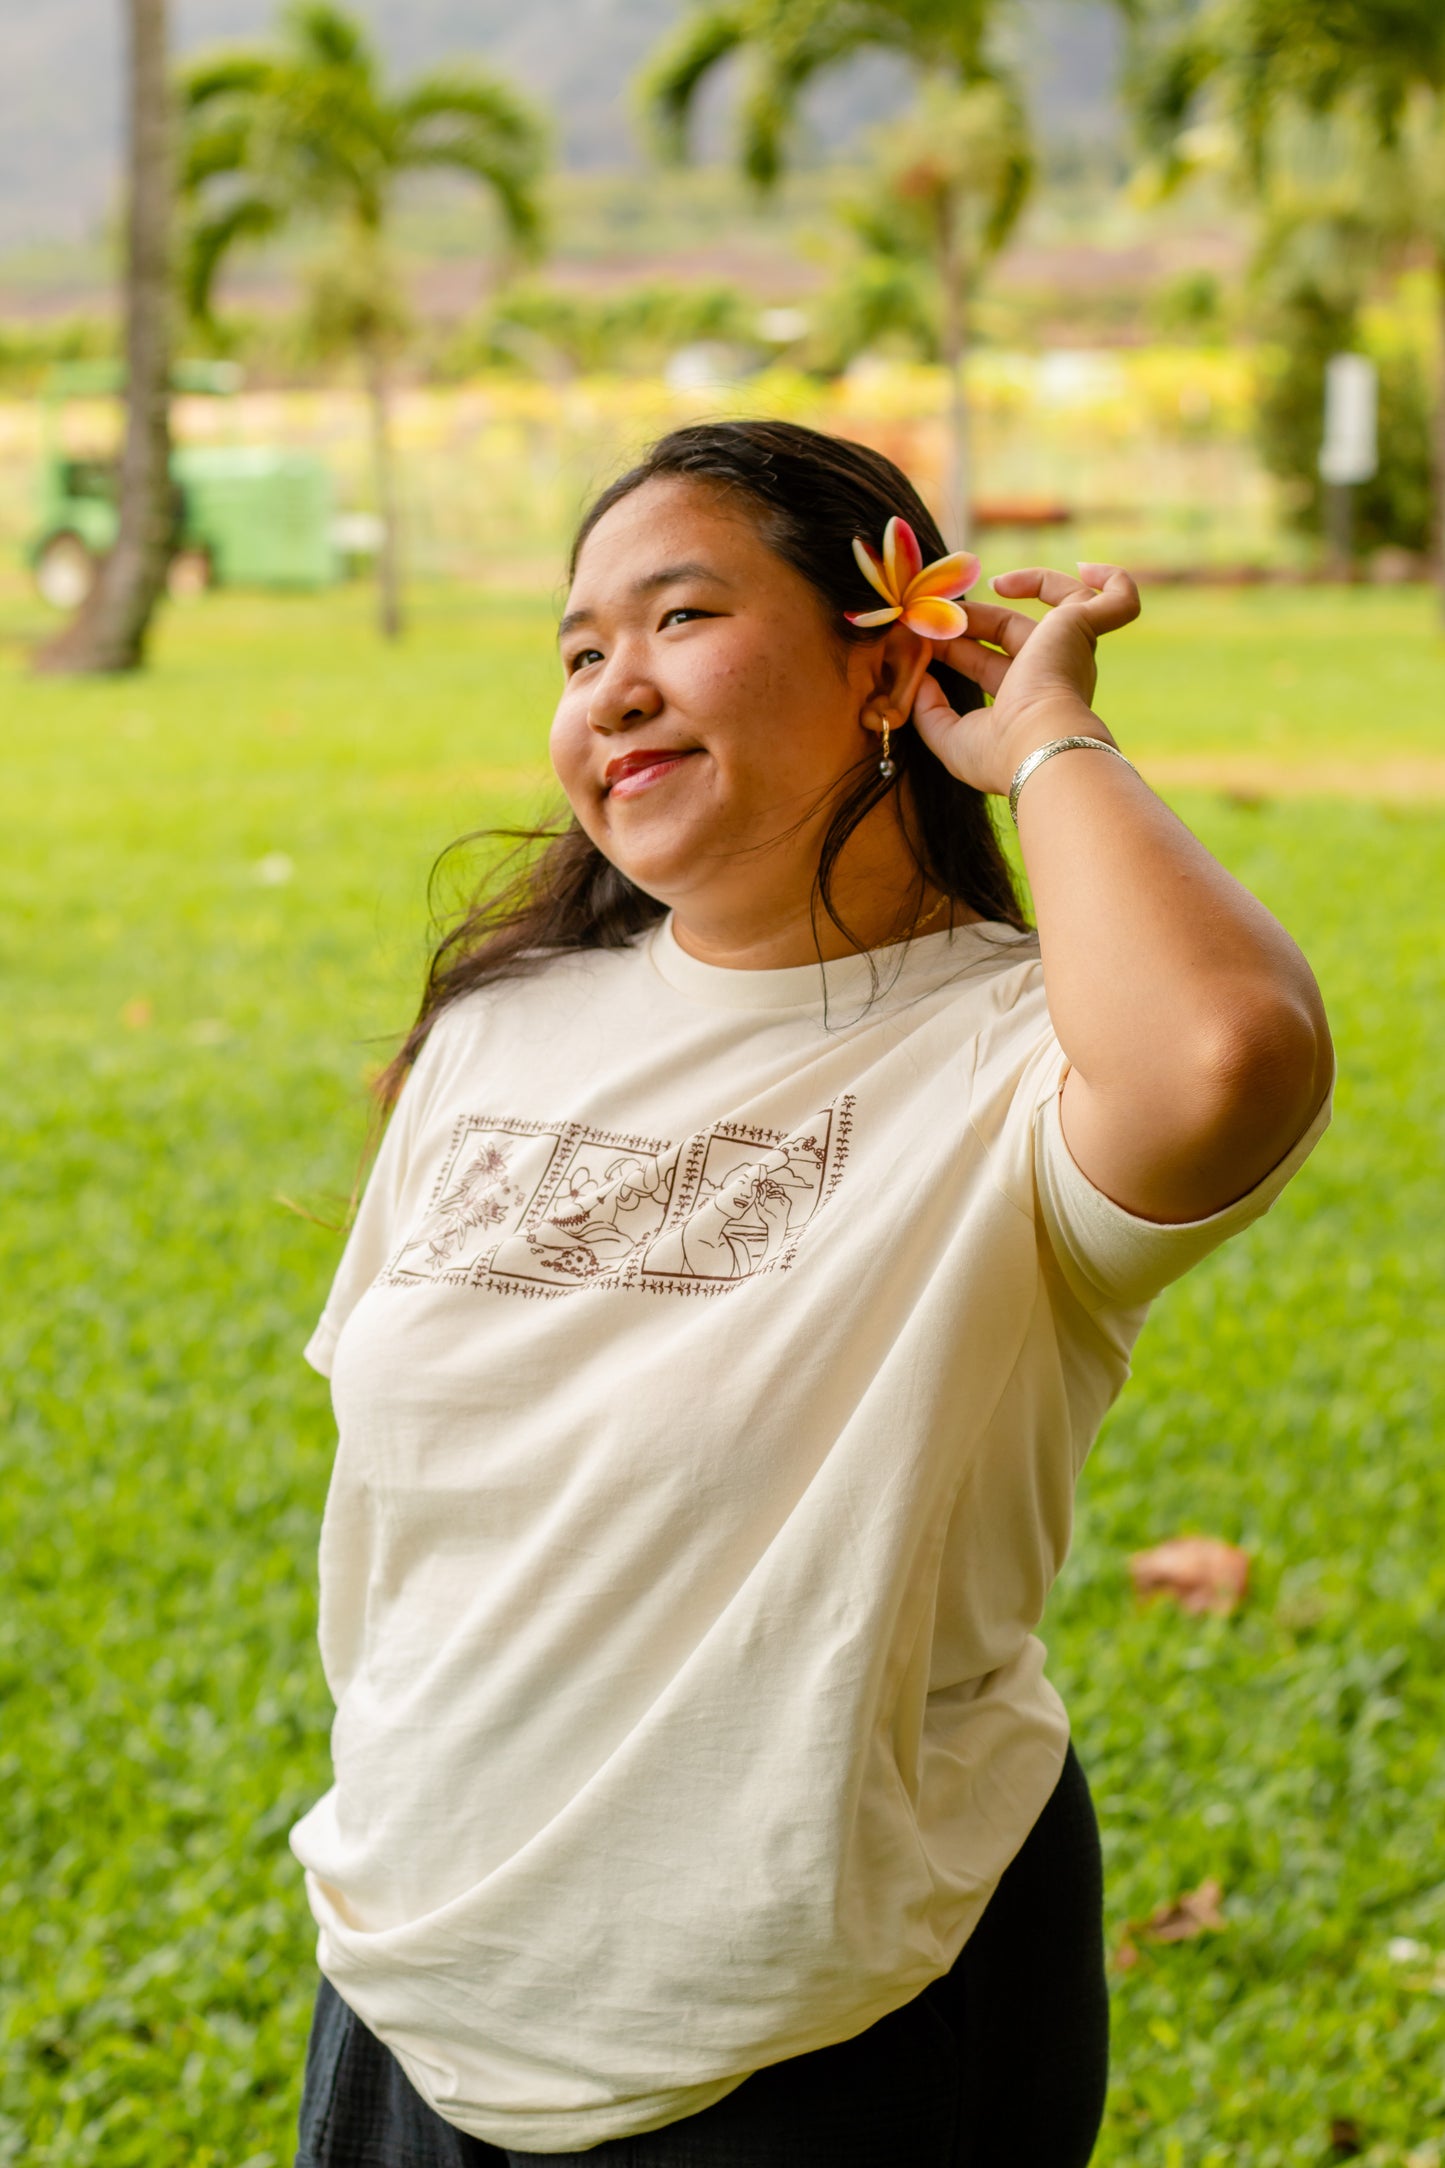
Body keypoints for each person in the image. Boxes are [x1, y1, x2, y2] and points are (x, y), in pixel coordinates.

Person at [291, 420, 1332, 2167]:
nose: (612, 688)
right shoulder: (492, 1036)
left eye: (679, 618)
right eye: (577, 649)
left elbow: (1229, 1054)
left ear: (885, 666)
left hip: (822, 2009)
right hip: (423, 1971)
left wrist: (1048, 738)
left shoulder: (1021, 1051)